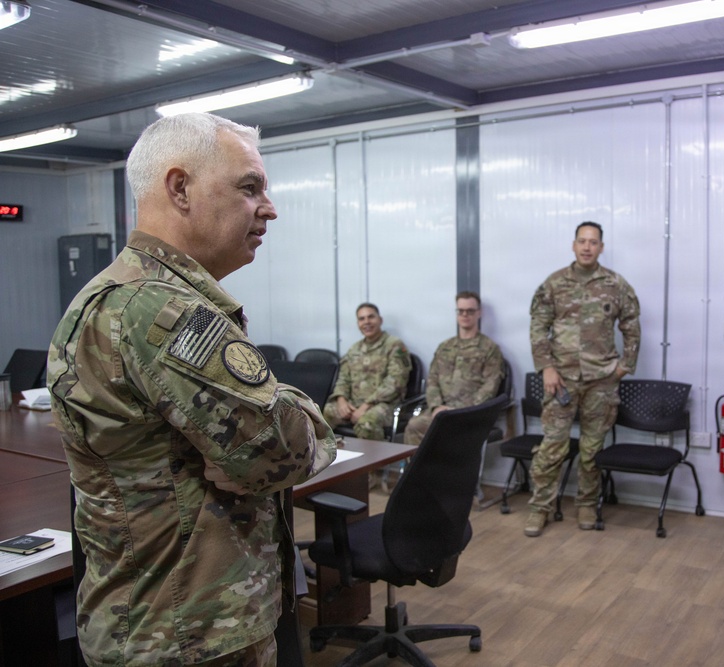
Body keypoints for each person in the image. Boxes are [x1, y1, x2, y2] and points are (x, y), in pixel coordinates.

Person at [47, 113, 339, 666]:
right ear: (180, 188)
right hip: (187, 635)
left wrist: (278, 410)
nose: (269, 208)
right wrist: (296, 413)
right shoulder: (164, 310)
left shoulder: (127, 295)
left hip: (168, 623)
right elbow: (280, 449)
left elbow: (263, 441)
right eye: (249, 187)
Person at [524, 221, 641, 537]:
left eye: (593, 242)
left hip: (601, 381)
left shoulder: (615, 285)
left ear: (601, 247)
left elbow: (631, 324)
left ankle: (587, 503)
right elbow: (538, 326)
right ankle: (540, 508)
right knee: (552, 448)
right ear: (573, 245)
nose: (587, 247)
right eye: (582, 241)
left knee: (592, 449)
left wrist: (623, 367)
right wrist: (546, 367)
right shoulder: (554, 284)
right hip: (560, 379)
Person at [402, 291, 504, 445]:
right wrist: (436, 406)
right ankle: (420, 470)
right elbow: (433, 380)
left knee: (451, 432)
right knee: (414, 425)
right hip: (440, 412)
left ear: (479, 313)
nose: (465, 315)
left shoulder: (489, 348)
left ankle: (447, 470)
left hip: (470, 413)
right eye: (460, 311)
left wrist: (463, 411)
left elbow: (489, 387)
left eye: (470, 311)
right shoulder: (445, 347)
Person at [323, 303, 411, 441]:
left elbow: (395, 383)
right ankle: (328, 458)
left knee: (366, 424)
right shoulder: (354, 349)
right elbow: (343, 379)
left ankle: (375, 462)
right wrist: (341, 401)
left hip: (385, 405)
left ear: (380, 320)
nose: (367, 322)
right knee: (322, 415)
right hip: (354, 403)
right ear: (358, 323)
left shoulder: (394, 345)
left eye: (371, 317)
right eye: (362, 319)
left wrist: (365, 406)